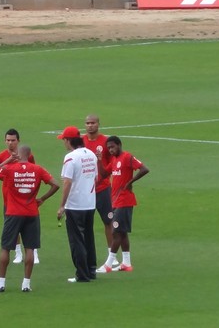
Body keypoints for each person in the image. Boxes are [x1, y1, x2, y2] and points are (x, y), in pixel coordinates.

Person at [0, 145, 59, 292]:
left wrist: (7, 160)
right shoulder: (38, 169)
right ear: (30, 155)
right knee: (30, 249)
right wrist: (42, 198)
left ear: (18, 155)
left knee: (5, 248)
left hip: (13, 213)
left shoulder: (10, 169)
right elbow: (56, 184)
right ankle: (26, 285)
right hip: (32, 212)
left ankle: (1, 284)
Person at [96, 136, 150, 273]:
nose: (111, 150)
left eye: (113, 147)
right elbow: (103, 174)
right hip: (116, 200)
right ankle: (126, 263)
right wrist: (99, 159)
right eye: (109, 148)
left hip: (124, 201)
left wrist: (130, 182)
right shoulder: (114, 160)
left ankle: (108, 265)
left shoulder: (127, 157)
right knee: (123, 232)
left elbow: (144, 169)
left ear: (119, 145)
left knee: (116, 232)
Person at [57, 126, 98, 283]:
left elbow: (67, 182)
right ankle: (91, 269)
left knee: (76, 240)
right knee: (88, 236)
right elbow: (95, 177)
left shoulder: (71, 158)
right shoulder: (91, 155)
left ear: (69, 141)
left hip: (75, 205)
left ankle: (82, 274)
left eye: (64, 140)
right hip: (90, 202)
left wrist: (62, 205)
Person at [0, 128, 39, 264]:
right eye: (8, 140)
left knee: (29, 227)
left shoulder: (28, 156)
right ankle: (18, 253)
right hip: (9, 199)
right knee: (13, 228)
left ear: (18, 141)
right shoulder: (1, 157)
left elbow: (34, 174)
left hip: (26, 199)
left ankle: (34, 253)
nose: (10, 143)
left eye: (13, 140)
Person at [82, 114, 119, 266]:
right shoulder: (81, 141)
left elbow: (112, 162)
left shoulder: (105, 142)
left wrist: (103, 175)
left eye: (93, 123)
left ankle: (112, 255)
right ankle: (86, 254)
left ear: (98, 124)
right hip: (85, 190)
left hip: (103, 188)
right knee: (85, 223)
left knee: (108, 221)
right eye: (87, 123)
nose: (90, 125)